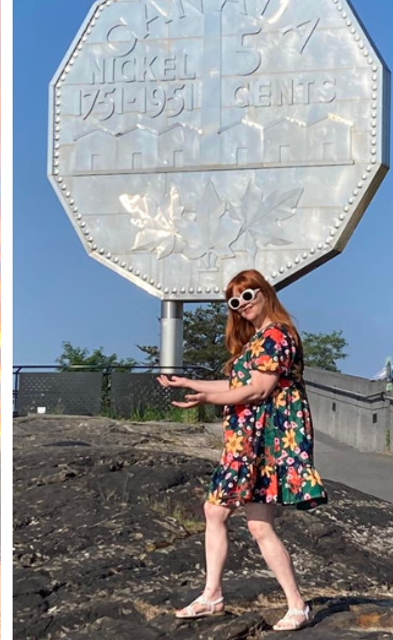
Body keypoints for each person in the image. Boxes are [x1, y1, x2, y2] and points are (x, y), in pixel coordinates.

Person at [157, 269, 328, 632]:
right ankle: (214, 595)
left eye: (249, 295)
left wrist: (207, 399)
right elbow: (237, 383)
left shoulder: (278, 335)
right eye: (235, 301)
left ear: (265, 293)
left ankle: (294, 605)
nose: (243, 305)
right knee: (222, 514)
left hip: (262, 442)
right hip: (245, 442)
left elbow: (259, 390)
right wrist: (189, 382)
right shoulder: (256, 341)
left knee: (253, 523)